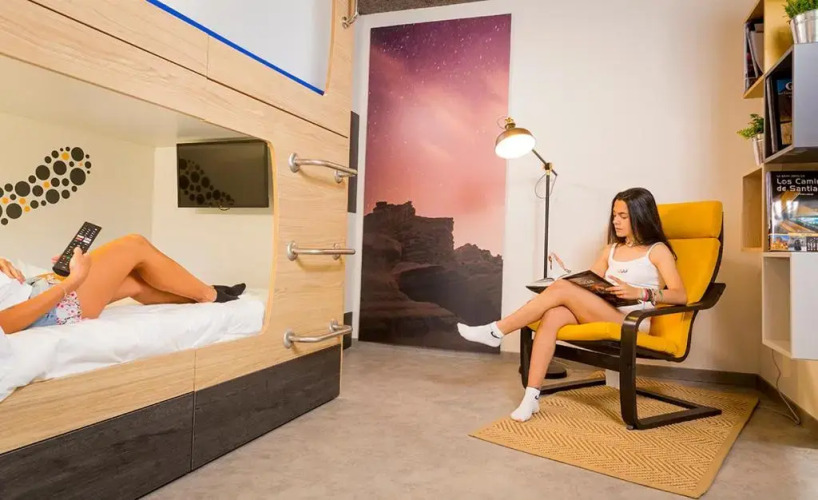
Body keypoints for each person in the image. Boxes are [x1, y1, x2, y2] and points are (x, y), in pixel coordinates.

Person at [457, 188, 688, 422]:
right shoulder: (611, 250)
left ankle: (496, 331)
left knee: (560, 290)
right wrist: (565, 275)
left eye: (623, 216)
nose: (615, 221)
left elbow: (680, 295)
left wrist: (641, 293)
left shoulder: (657, 251)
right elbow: (589, 283)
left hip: (633, 322)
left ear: (640, 216)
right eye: (614, 215)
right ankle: (531, 397)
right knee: (553, 315)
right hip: (604, 311)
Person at [0, 234, 245, 335]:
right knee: (134, 245)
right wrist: (74, 280)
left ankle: (205, 295)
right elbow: (5, 323)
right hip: (48, 306)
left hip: (35, 288)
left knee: (135, 283)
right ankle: (209, 294)